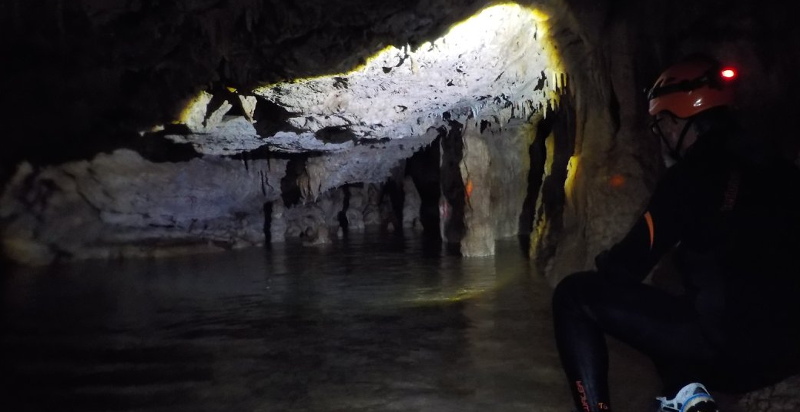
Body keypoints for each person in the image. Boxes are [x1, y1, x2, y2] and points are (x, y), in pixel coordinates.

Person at [551, 53, 800, 412]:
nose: (663, 135)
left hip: (733, 352)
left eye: (661, 124)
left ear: (678, 120)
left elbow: (628, 265)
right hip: (789, 350)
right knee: (680, 290)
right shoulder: (780, 168)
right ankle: (689, 394)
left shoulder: (691, 175)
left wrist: (609, 262)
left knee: (573, 296)